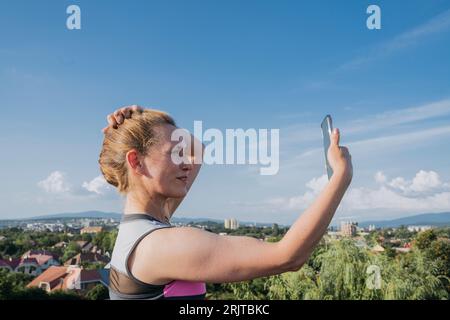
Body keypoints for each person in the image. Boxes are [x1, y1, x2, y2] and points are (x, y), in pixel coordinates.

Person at [100, 105, 353, 300]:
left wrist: (145, 117)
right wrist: (341, 175)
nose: (187, 161)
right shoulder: (159, 245)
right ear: (136, 162)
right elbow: (287, 257)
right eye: (174, 153)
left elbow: (197, 151)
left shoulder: (142, 228)